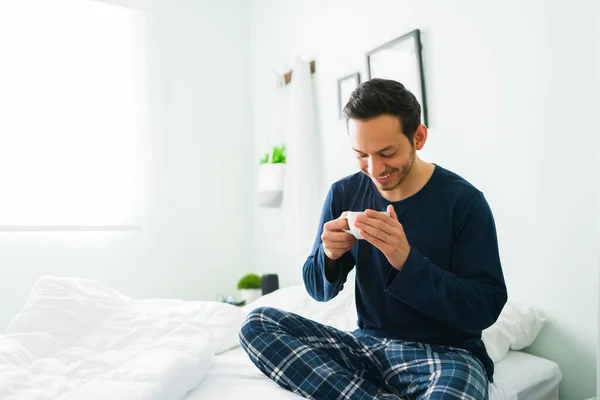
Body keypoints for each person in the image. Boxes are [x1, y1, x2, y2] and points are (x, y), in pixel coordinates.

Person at [239, 78, 508, 399]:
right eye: (361, 155)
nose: (374, 168)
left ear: (418, 137)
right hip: (367, 348)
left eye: (387, 153)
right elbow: (317, 290)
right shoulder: (345, 193)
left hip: (448, 356)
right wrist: (329, 255)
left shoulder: (463, 202)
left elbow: (485, 307)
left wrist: (407, 263)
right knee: (257, 323)